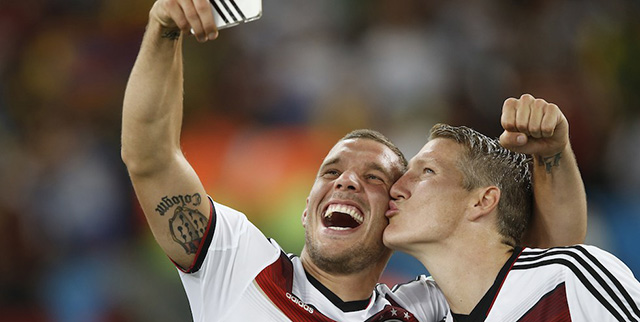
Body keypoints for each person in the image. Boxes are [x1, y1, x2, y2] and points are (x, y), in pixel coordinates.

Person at [121, 0, 587, 320]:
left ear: (395, 213)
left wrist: (552, 156)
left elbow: (552, 265)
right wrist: (164, 31)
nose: (345, 182)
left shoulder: (426, 309)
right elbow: (149, 157)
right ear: (307, 208)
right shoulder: (240, 263)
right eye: (331, 171)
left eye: (373, 177)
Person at [384, 109, 640, 321]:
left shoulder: (569, 278)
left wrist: (552, 152)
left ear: (482, 201)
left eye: (427, 171)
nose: (395, 188)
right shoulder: (417, 310)